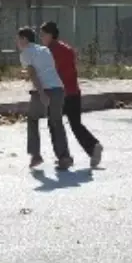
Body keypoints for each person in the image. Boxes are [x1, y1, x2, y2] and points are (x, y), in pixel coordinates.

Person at [40, 21, 104, 169]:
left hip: (59, 94)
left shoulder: (50, 51)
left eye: (43, 34)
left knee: (54, 123)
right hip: (73, 91)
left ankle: (64, 157)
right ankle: (93, 146)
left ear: (50, 35)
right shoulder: (66, 49)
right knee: (75, 124)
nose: (41, 37)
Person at [17, 26, 72, 170]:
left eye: (18, 39)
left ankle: (35, 155)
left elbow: (33, 74)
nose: (17, 42)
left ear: (24, 39)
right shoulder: (44, 49)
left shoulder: (26, 53)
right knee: (56, 122)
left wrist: (41, 94)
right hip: (58, 89)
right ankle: (64, 157)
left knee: (33, 119)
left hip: (45, 90)